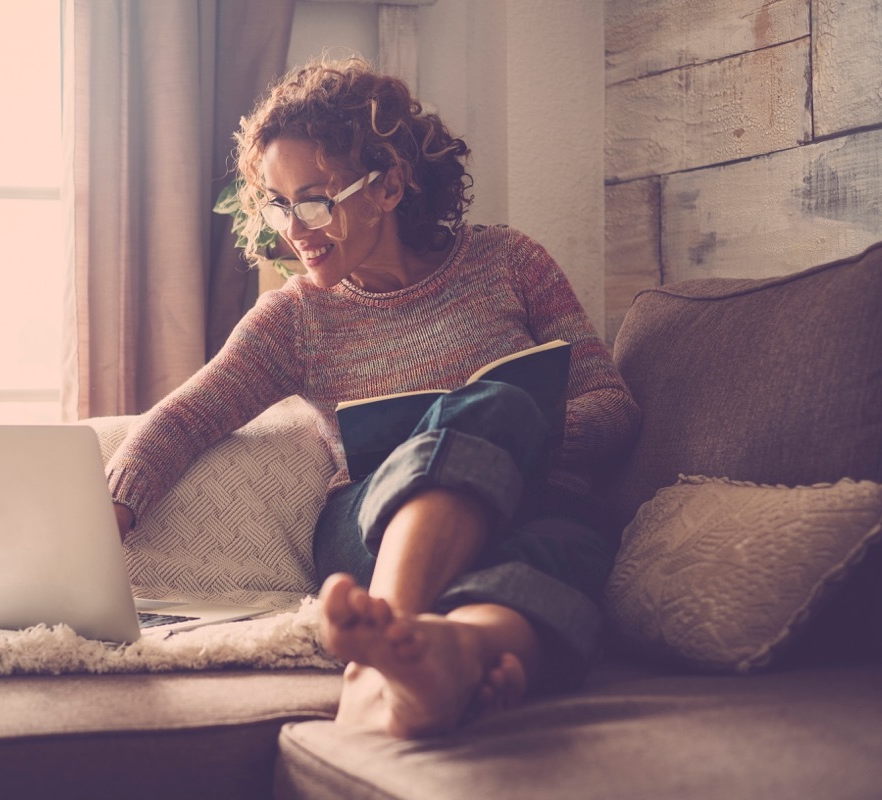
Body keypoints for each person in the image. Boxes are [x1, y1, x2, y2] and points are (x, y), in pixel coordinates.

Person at [107, 57, 640, 738]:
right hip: (374, 531)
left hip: (536, 507)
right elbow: (185, 416)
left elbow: (612, 406)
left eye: (315, 198)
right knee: (499, 407)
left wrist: (513, 437)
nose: (293, 228)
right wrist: (109, 510)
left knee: (557, 547)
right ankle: (380, 664)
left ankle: (447, 661)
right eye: (277, 201)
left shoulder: (511, 263)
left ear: (389, 186)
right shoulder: (294, 317)